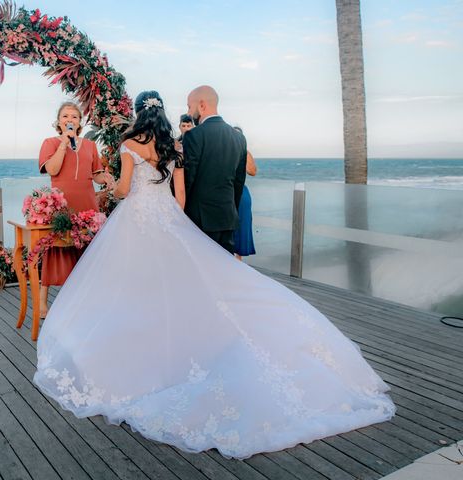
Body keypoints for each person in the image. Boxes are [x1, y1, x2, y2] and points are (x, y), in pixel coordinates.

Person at [33, 90, 394, 460]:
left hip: (136, 223)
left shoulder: (129, 143)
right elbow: (181, 198)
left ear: (138, 115)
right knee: (178, 285)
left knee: (131, 287)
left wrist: (111, 185)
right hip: (168, 222)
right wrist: (169, 218)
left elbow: (124, 190)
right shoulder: (173, 146)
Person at [38, 101, 115, 318]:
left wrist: (106, 178)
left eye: (74, 116)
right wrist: (64, 143)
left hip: (87, 203)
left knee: (88, 250)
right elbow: (52, 169)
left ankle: (87, 299)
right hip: (61, 204)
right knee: (54, 249)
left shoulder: (90, 145)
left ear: (80, 122)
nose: (69, 120)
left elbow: (96, 174)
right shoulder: (50, 142)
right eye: (65, 116)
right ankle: (43, 303)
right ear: (58, 121)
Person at [183, 86, 247, 254]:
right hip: (228, 217)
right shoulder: (239, 138)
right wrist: (231, 210)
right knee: (224, 271)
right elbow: (239, 182)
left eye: (189, 106)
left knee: (202, 273)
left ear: (202, 105)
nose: (188, 113)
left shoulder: (194, 135)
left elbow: (188, 179)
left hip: (199, 220)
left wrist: (182, 212)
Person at [232, 126, 257, 260]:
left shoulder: (245, 153)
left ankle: (238, 265)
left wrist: (242, 154)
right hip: (225, 192)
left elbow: (253, 171)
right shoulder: (223, 151)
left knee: (241, 229)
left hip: (241, 193)